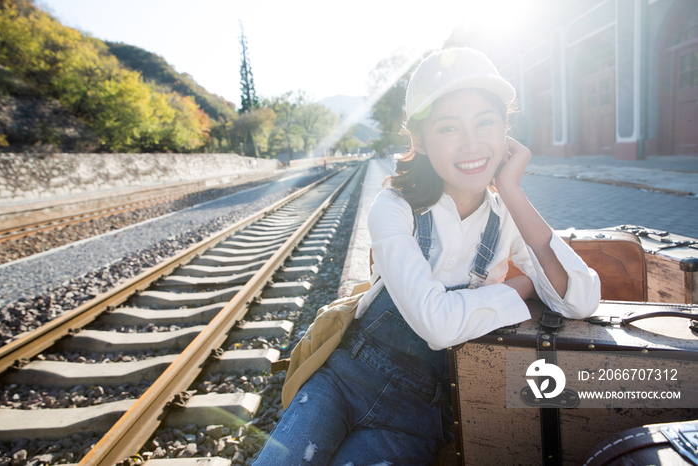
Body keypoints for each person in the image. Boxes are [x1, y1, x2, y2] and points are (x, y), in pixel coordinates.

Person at [251, 47, 601, 466]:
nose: (472, 143)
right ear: (418, 140)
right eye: (449, 127)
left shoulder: (507, 216)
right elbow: (438, 324)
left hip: (418, 413)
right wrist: (519, 288)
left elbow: (580, 298)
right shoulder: (394, 208)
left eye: (486, 122)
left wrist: (512, 191)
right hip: (344, 381)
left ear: (506, 131)